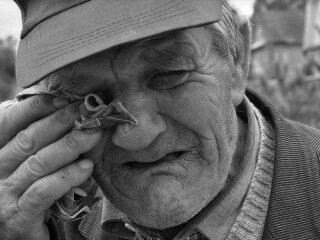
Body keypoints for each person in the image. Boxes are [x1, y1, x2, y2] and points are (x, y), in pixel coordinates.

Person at [0, 0, 320, 240]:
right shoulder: (38, 218)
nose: (136, 137)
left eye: (169, 75)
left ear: (236, 58)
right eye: (88, 100)